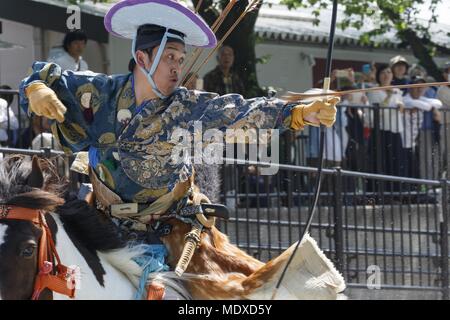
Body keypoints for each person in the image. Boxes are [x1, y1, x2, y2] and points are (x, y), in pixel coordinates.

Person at [19, 0, 339, 299]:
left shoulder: (184, 105)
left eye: (181, 59)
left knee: (226, 292)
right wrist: (36, 90)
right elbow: (47, 75)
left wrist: (298, 113)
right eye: (169, 57)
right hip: (99, 219)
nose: (177, 68)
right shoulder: (100, 92)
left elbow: (237, 110)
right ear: (142, 58)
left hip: (169, 228)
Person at [366, 64, 405, 188]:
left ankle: (396, 194)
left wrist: (400, 104)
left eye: (389, 72)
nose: (386, 75)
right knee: (381, 162)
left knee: (396, 163)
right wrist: (388, 96)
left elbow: (400, 107)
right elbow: (379, 112)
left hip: (395, 130)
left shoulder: (397, 91)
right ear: (378, 76)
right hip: (381, 131)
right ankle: (379, 194)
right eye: (383, 72)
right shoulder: (374, 91)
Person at [402, 76, 442, 179]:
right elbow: (426, 106)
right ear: (410, 87)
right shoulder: (405, 99)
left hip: (413, 139)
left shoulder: (422, 99)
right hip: (403, 140)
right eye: (416, 86)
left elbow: (438, 103)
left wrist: (429, 106)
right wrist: (429, 106)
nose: (420, 89)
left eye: (422, 87)